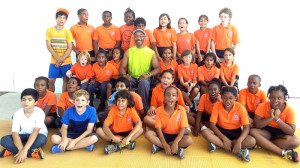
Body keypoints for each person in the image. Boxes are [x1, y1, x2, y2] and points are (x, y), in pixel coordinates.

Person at [201, 87, 256, 162]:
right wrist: (224, 139)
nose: (227, 101)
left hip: (236, 133)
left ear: (235, 98)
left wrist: (239, 141)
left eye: (231, 98)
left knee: (252, 141)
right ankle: (238, 151)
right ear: (221, 97)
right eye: (225, 98)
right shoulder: (217, 105)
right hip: (220, 132)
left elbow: (246, 127)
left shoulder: (240, 107)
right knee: (205, 132)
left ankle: (219, 145)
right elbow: (212, 125)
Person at [250, 85, 299, 162]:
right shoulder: (262, 106)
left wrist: (277, 119)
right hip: (266, 132)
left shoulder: (290, 110)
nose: (275, 101)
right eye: (272, 97)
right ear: (269, 97)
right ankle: (282, 152)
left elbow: (291, 131)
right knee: (252, 132)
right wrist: (270, 118)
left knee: (295, 142)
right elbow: (256, 124)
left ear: (284, 99)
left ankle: (263, 143)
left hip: (281, 134)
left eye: (279, 98)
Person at [144, 86, 193, 159]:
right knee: (148, 134)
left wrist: (176, 142)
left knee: (189, 140)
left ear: (177, 98)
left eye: (173, 95)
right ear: (164, 97)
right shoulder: (159, 110)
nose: (171, 97)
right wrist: (165, 144)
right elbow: (158, 129)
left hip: (178, 135)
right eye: (168, 95)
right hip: (164, 135)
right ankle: (171, 148)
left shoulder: (181, 109)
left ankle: (162, 147)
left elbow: (183, 128)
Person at [0, 89, 47, 163]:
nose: (26, 102)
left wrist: (24, 150)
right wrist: (21, 150)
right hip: (22, 135)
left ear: (36, 102)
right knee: (4, 139)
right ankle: (32, 152)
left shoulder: (39, 112)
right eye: (24, 99)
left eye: (29, 100)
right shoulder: (17, 113)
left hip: (37, 135)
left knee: (42, 140)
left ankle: (11, 151)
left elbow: (35, 131)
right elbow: (15, 133)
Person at [120, 29, 161, 112]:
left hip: (145, 78)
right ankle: (129, 109)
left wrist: (148, 75)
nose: (139, 38)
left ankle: (143, 110)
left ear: (144, 37)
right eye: (136, 36)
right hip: (132, 77)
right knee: (126, 83)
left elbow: (158, 68)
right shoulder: (129, 51)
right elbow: (122, 67)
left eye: (141, 36)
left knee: (144, 83)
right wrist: (125, 75)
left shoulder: (150, 52)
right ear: (134, 38)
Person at [96, 90, 143, 154]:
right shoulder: (113, 110)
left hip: (127, 133)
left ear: (128, 102)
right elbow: (105, 126)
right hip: (115, 133)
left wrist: (128, 137)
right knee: (99, 130)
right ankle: (125, 144)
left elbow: (139, 123)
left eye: (123, 101)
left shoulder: (131, 111)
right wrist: (113, 137)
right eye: (118, 100)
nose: (120, 103)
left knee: (141, 130)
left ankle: (117, 145)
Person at [46, 8, 73, 92]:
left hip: (66, 61)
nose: (61, 19)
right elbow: (48, 46)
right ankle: (52, 101)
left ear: (66, 20)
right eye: (59, 17)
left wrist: (61, 60)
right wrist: (58, 59)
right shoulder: (49, 30)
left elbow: (70, 47)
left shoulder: (67, 32)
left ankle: (63, 100)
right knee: (51, 80)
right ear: (56, 18)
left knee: (66, 80)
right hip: (54, 60)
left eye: (64, 18)